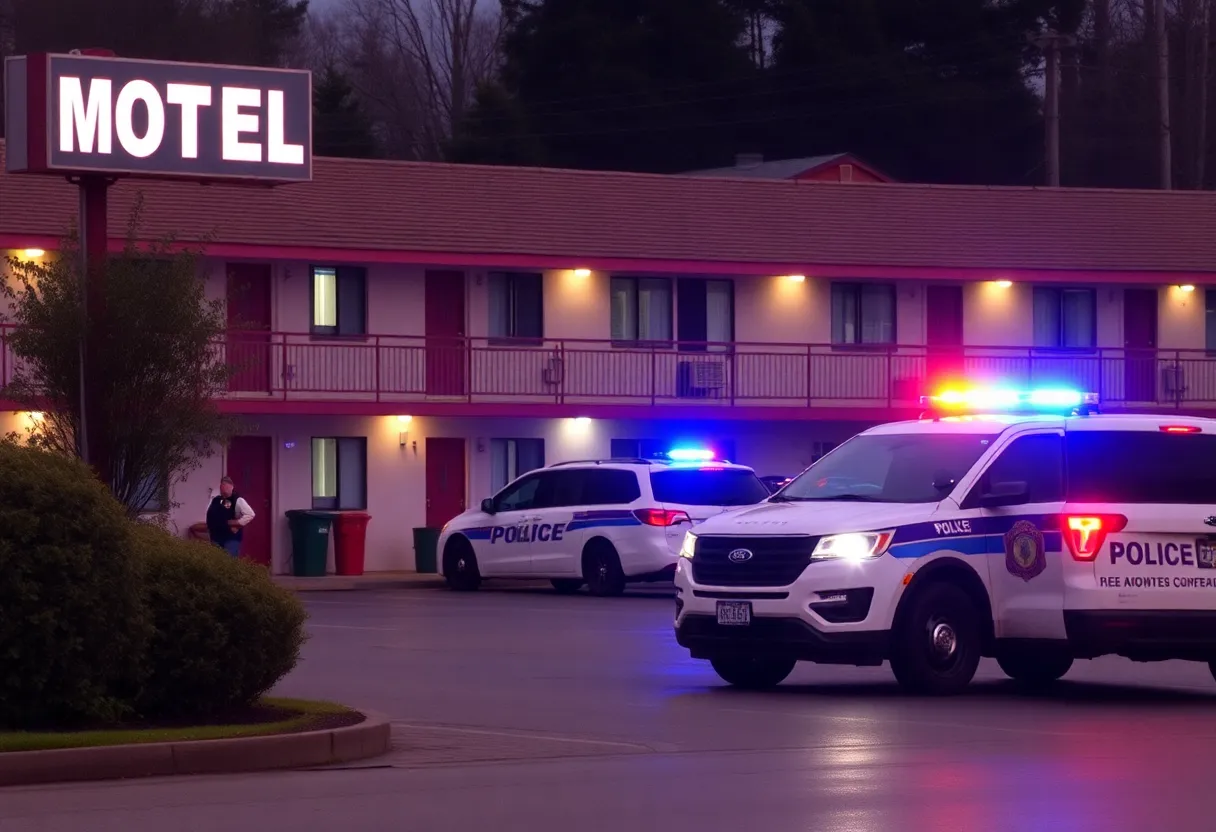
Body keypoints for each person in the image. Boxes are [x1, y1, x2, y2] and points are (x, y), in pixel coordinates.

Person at [206, 476, 255, 557]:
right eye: (222, 485)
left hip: (231, 537)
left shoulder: (238, 500)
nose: (223, 487)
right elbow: (219, 513)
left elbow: (250, 514)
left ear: (232, 487)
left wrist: (237, 522)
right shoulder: (219, 500)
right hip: (216, 536)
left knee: (229, 562)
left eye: (226, 485)